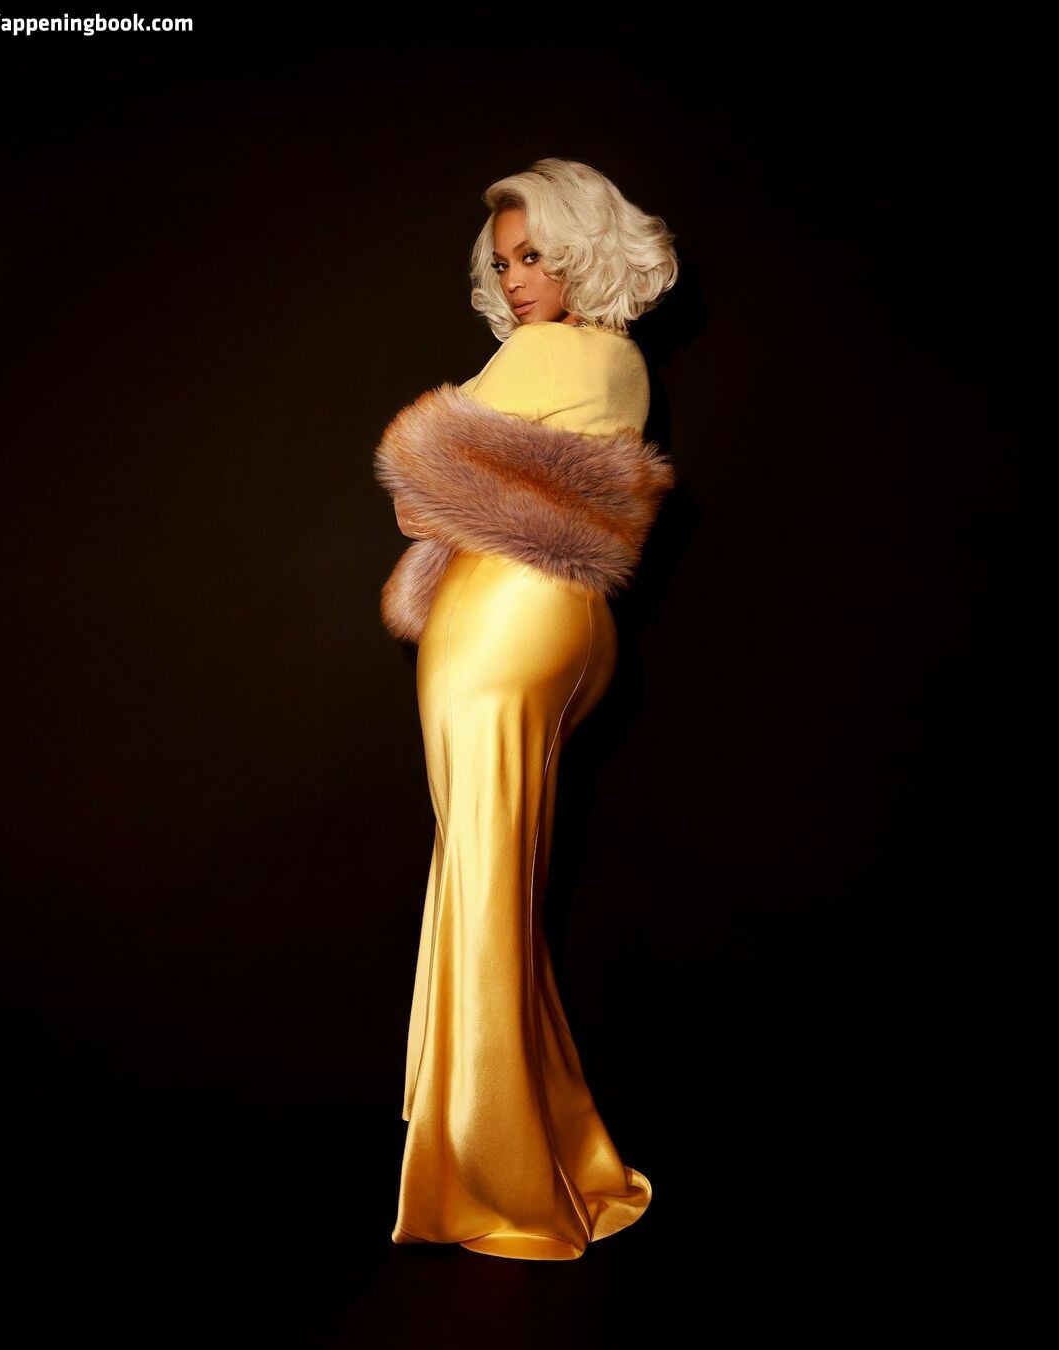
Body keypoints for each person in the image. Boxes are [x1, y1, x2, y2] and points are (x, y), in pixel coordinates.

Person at [374, 157, 679, 1260]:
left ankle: (500, 1184)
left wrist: (458, 483)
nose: (513, 281)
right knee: (500, 883)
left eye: (535, 256)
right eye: (503, 263)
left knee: (481, 879)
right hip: (576, 625)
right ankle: (547, 1151)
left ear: (582, 252)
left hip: (501, 614)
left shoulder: (544, 354)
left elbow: (415, 490)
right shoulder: (623, 364)